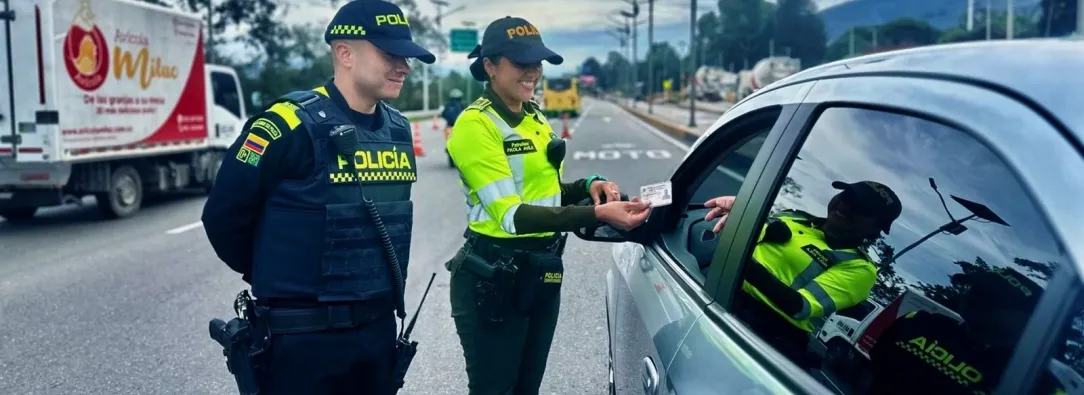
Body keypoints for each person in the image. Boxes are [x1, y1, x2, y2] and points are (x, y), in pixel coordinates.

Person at [201, 1, 435, 393]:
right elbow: (223, 216)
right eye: (390, 55)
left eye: (407, 58)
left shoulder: (397, 130)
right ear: (345, 53)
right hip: (302, 342)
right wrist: (280, 275)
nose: (404, 67)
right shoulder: (286, 125)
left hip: (377, 336)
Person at [444, 16, 652, 395]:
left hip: (540, 271)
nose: (533, 72)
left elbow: (548, 193)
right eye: (521, 62)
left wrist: (589, 186)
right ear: (490, 66)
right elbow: (512, 215)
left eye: (537, 62)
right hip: (493, 276)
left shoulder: (534, 116)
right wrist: (596, 214)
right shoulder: (476, 125)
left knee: (528, 388)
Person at [703, 180, 903, 366]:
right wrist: (742, 213)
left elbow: (801, 306)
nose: (846, 205)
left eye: (862, 208)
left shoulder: (859, 267)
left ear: (877, 228)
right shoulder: (794, 217)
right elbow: (745, 232)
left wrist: (740, 256)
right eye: (847, 196)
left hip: (759, 337)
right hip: (714, 291)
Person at [867, 266, 1064, 395]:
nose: (973, 297)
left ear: (1029, 321)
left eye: (989, 297)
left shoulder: (1036, 383)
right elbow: (867, 373)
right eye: (974, 288)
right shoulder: (919, 324)